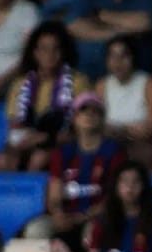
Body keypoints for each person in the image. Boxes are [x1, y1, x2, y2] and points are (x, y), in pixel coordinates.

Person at [0, 20, 92, 172]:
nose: (50, 55)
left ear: (64, 51)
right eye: (44, 49)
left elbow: (80, 127)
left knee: (39, 159)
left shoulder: (78, 82)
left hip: (63, 142)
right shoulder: (20, 84)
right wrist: (25, 139)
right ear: (35, 53)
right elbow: (14, 125)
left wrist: (46, 138)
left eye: (56, 49)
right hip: (27, 141)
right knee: (2, 161)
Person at [27, 90, 122, 239]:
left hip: (96, 218)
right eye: (83, 110)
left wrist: (81, 217)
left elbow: (113, 198)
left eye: (95, 111)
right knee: (36, 230)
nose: (89, 115)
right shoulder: (62, 152)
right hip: (65, 217)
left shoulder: (114, 152)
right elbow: (54, 193)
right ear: (74, 118)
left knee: (95, 232)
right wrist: (58, 214)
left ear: (103, 118)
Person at [65, 0, 152, 78]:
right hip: (89, 72)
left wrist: (101, 15)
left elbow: (145, 22)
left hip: (135, 73)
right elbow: (72, 25)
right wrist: (119, 32)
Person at [97, 33, 152, 166]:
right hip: (110, 145)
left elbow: (151, 128)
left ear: (133, 57)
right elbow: (99, 126)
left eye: (123, 56)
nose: (118, 62)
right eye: (113, 56)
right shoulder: (102, 85)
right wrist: (131, 129)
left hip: (144, 146)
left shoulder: (149, 83)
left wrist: (119, 131)